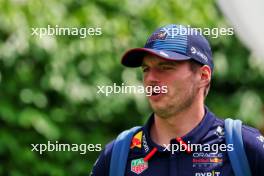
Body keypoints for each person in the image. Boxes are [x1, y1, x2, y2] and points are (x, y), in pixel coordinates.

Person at [90, 24, 264, 176]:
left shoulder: (245, 147)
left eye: (165, 67)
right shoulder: (117, 155)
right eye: (145, 69)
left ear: (203, 76)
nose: (151, 78)